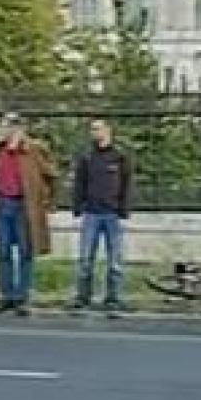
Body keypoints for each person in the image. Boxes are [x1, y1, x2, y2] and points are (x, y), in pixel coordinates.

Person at [0, 112, 57, 317]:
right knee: (3, 252)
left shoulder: (33, 149)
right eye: (5, 126)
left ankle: (22, 297)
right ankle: (6, 296)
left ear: (21, 129)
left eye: (13, 126)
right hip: (2, 204)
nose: (8, 130)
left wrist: (44, 199)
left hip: (25, 206)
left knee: (25, 252)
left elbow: (50, 174)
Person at [71, 119, 132, 315]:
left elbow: (127, 183)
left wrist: (124, 208)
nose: (94, 133)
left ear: (108, 131)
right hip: (91, 213)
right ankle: (83, 297)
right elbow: (79, 182)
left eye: (98, 129)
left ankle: (113, 298)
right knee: (85, 258)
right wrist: (77, 206)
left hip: (112, 214)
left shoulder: (120, 156)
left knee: (114, 260)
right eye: (92, 129)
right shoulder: (87, 157)